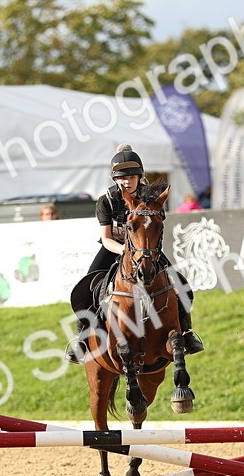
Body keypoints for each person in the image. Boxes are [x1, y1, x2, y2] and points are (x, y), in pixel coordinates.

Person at [65, 144, 205, 364]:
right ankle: (82, 340)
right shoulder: (106, 201)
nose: (126, 182)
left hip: (145, 251)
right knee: (86, 287)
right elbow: (106, 238)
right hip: (115, 248)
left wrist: (141, 250)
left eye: (131, 177)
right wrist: (125, 251)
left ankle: (186, 333)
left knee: (181, 285)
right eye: (121, 178)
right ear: (114, 179)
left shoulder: (151, 198)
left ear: (140, 177)